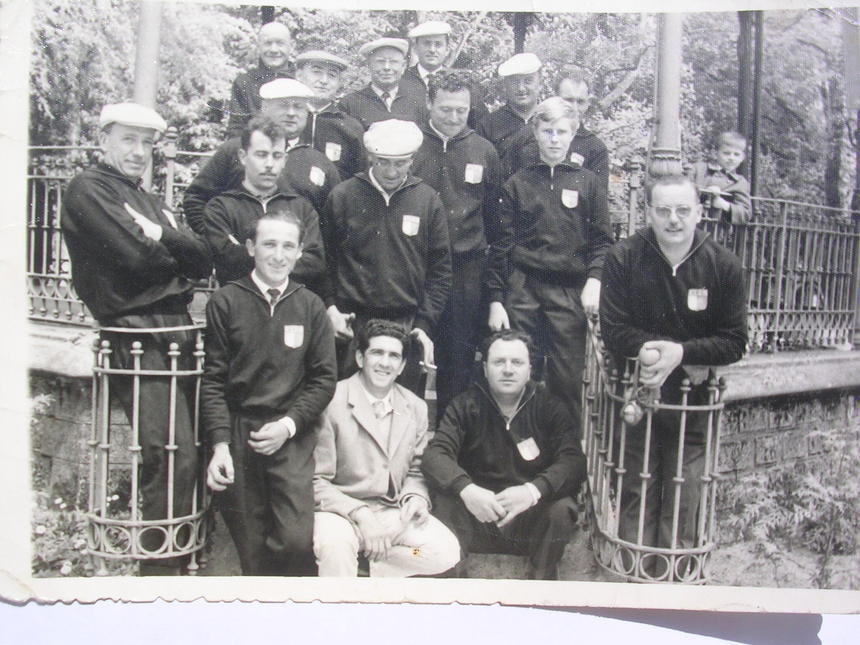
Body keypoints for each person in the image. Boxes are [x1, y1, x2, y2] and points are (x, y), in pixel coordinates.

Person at [60, 102, 212, 575]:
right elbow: (135, 259)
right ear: (103, 139)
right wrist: (169, 246)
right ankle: (158, 569)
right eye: (128, 139)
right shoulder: (89, 189)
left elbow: (201, 259)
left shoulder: (144, 196)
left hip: (175, 331)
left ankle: (182, 553)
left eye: (147, 143)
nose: (139, 151)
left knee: (189, 449)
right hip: (137, 334)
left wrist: (161, 236)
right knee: (168, 453)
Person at [599, 174, 747, 556]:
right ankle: (635, 568)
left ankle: (675, 573)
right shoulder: (624, 257)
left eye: (683, 210)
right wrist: (657, 352)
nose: (673, 220)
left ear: (699, 212)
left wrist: (680, 353)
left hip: (693, 399)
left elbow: (734, 341)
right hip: (637, 390)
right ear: (649, 211)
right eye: (663, 210)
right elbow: (614, 330)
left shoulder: (723, 264)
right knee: (636, 483)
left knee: (686, 486)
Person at [202, 210, 337, 576]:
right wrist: (219, 447)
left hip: (290, 436)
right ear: (250, 248)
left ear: (299, 253)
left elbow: (324, 379)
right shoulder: (226, 301)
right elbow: (212, 380)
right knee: (252, 549)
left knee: (295, 540)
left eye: (288, 246)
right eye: (269, 244)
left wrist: (290, 425)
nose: (279, 255)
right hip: (239, 434)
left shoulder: (310, 307)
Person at [422, 330, 586, 580]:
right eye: (499, 362)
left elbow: (573, 461)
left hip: (529, 522)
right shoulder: (465, 405)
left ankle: (539, 587)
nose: (508, 370)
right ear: (486, 368)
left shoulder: (550, 408)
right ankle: (452, 585)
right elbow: (435, 454)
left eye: (517, 362)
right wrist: (467, 490)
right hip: (477, 517)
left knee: (562, 510)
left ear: (530, 369)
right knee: (445, 505)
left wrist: (532, 492)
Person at [486, 97, 612, 421]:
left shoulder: (589, 183)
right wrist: (497, 299)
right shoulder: (518, 183)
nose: (554, 139)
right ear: (536, 133)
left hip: (568, 292)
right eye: (547, 131)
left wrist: (594, 281)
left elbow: (602, 241)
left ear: (573, 134)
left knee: (566, 380)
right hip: (524, 289)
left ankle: (563, 456)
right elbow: (502, 245)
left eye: (561, 132)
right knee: (517, 374)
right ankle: (513, 448)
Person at [312, 319, 461, 577]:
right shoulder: (331, 401)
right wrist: (360, 514)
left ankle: (369, 564)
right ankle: (338, 612)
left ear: (403, 365)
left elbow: (416, 471)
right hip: (339, 511)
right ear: (360, 358)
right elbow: (315, 480)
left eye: (394, 356)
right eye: (377, 353)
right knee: (336, 547)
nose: (385, 362)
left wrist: (415, 498)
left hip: (390, 513)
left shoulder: (414, 407)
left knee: (442, 551)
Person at [322, 119, 452, 396]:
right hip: (353, 323)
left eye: (401, 163)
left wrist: (425, 324)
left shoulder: (428, 200)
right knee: (347, 407)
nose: (392, 171)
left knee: (401, 410)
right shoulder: (343, 196)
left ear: (412, 160)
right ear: (371, 157)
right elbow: (325, 261)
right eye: (383, 162)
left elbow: (440, 270)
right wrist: (331, 307)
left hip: (405, 322)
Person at [410, 70, 501, 422]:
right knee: (413, 351)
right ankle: (407, 437)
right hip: (417, 265)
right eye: (445, 108)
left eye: (460, 110)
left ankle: (450, 441)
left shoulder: (484, 151)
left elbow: (495, 222)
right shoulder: (413, 145)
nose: (452, 117)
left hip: (466, 270)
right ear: (430, 103)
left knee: (458, 359)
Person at [183, 78, 340, 235]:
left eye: (298, 107)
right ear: (265, 108)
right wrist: (220, 243)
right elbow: (196, 199)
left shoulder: (320, 163)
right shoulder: (236, 150)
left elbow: (332, 223)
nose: (291, 113)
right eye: (283, 105)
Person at [203, 116, 325, 294]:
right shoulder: (220, 208)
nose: (269, 164)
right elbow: (227, 260)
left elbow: (314, 262)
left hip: (291, 305)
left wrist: (249, 255)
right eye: (261, 154)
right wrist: (288, 258)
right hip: (239, 306)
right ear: (243, 157)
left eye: (276, 156)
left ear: (284, 160)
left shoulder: (302, 208)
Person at [501, 70, 610, 189]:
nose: (574, 108)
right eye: (568, 100)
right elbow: (507, 188)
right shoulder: (526, 136)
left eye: (580, 101)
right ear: (555, 97)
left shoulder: (595, 148)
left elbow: (596, 198)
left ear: (588, 103)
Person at [400, 20, 488, 129]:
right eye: (427, 44)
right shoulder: (401, 81)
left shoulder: (462, 82)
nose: (432, 50)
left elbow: (481, 124)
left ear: (447, 49)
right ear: (415, 48)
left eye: (438, 44)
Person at [295, 50, 367, 179]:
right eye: (316, 72)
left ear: (339, 83)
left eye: (332, 75)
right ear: (299, 75)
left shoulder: (350, 128)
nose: (324, 80)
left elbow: (359, 179)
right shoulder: (287, 120)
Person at [339, 37, 428, 130]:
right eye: (380, 61)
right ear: (369, 65)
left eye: (393, 62)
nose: (387, 67)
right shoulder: (350, 104)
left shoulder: (418, 101)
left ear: (403, 66)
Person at [225, 21, 294, 138]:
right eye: (267, 43)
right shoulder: (244, 83)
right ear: (258, 46)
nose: (274, 49)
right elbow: (236, 130)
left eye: (280, 43)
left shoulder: (302, 80)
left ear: (291, 46)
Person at [476, 53, 542, 160]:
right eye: (515, 82)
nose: (521, 88)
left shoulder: (550, 120)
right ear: (505, 85)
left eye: (528, 81)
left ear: (540, 83)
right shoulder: (488, 125)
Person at [690, 131, 752, 225]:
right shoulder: (698, 169)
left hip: (717, 230)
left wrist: (725, 205)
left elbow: (746, 214)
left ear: (742, 158)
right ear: (715, 153)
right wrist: (705, 192)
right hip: (691, 224)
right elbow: (682, 193)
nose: (731, 158)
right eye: (726, 153)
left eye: (736, 154)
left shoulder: (740, 182)